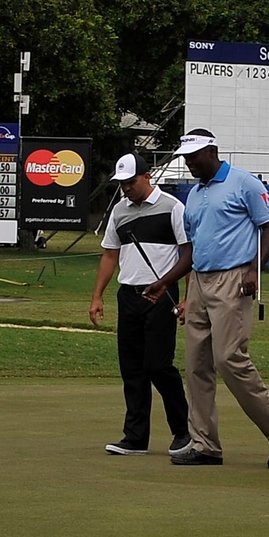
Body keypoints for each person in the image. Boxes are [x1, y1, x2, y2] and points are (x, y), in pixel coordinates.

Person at [143, 129, 269, 467]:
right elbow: (193, 249)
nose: (190, 163)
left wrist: (255, 270)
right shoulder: (195, 195)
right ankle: (205, 444)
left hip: (234, 279)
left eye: (194, 156)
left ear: (212, 151)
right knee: (197, 365)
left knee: (229, 359)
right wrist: (171, 286)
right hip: (199, 281)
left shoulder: (244, 183)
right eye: (185, 157)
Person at [89, 152, 191, 457]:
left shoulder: (173, 208)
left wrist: (187, 298)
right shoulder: (119, 211)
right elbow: (110, 255)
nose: (126, 188)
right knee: (132, 369)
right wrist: (97, 296)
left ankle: (184, 432)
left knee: (158, 365)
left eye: (131, 181)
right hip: (128, 295)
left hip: (162, 295)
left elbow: (189, 255)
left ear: (147, 177)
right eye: (121, 183)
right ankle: (135, 438)